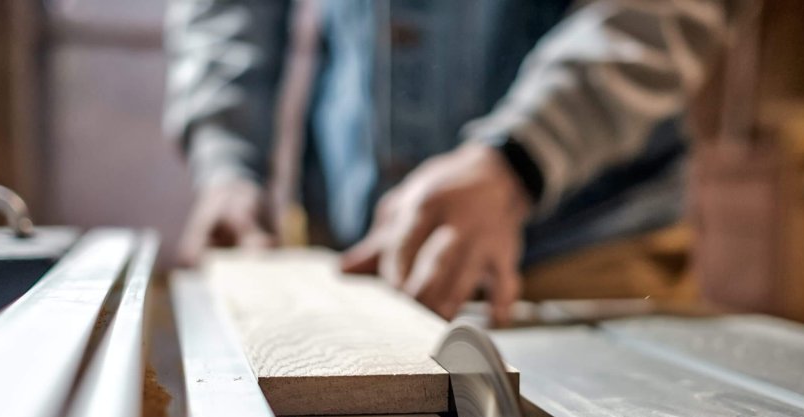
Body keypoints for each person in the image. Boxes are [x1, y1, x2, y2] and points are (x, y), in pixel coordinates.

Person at [164, 0, 749, 324]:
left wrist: (519, 158)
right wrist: (226, 161)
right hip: (358, 245)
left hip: (587, 246)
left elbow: (660, 12)